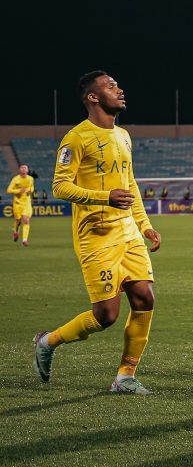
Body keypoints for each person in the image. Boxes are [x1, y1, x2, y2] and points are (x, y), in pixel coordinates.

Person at [33, 71, 161, 394]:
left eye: (118, 84)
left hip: (128, 231)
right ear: (93, 97)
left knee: (145, 296)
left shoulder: (124, 136)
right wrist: (105, 197)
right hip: (95, 236)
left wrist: (144, 225)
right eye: (111, 86)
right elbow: (59, 186)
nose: (119, 89)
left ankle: (125, 376)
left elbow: (129, 184)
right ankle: (48, 342)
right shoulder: (76, 138)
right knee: (106, 316)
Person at [7, 164, 34, 246]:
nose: (23, 169)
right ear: (19, 170)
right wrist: (18, 191)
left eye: (25, 168)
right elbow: (9, 190)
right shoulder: (15, 179)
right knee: (18, 221)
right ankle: (16, 232)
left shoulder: (30, 179)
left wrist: (31, 191)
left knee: (26, 220)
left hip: (26, 203)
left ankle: (24, 240)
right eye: (22, 168)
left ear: (27, 170)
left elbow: (31, 187)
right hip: (17, 203)